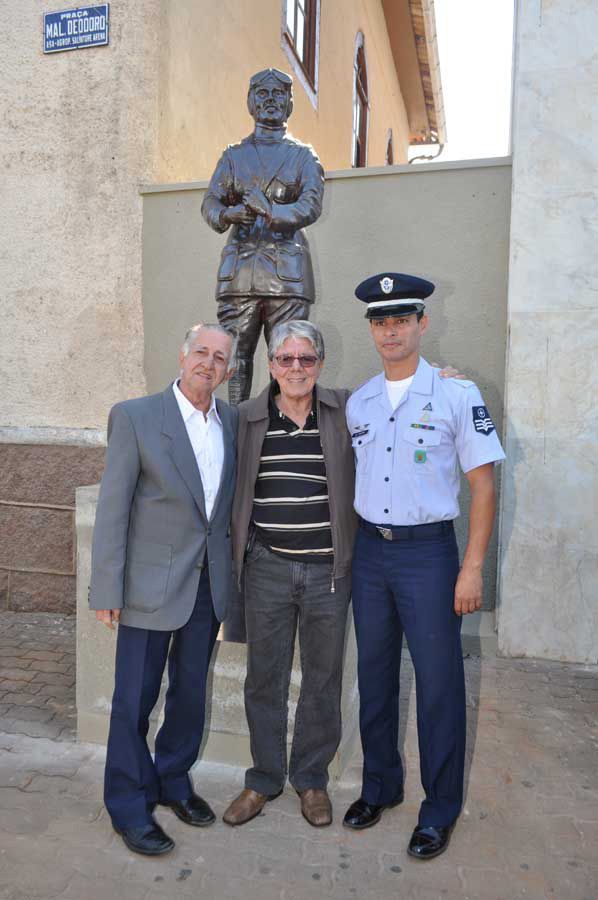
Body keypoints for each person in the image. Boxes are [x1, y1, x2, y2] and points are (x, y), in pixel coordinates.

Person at [343, 273, 505, 860]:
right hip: (370, 555)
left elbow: (483, 488)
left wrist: (473, 567)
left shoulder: (457, 396)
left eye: (401, 320)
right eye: (381, 322)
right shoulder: (358, 401)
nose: (391, 331)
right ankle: (380, 788)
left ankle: (439, 809)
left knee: (438, 685)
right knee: (376, 676)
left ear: (422, 324)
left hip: (429, 556)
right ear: (372, 330)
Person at [89, 323, 238, 856]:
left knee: (190, 693)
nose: (209, 363)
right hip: (147, 587)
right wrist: (106, 586)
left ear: (229, 369)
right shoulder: (136, 416)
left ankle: (173, 780)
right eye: (201, 352)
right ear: (182, 356)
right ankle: (128, 805)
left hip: (205, 587)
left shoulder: (233, 422)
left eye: (220, 357)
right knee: (134, 700)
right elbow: (113, 509)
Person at [222, 321, 356, 828]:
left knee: (322, 677)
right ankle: (263, 779)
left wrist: (445, 380)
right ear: (272, 365)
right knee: (264, 678)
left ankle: (311, 779)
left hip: (328, 571)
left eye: (305, 359)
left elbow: (398, 400)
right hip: (268, 568)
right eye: (285, 359)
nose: (295, 368)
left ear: (320, 364)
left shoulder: (345, 411)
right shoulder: (245, 418)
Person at [201, 68, 325, 404]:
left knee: (289, 357)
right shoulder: (233, 157)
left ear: (289, 104)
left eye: (278, 95)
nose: (270, 102)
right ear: (250, 102)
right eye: (263, 95)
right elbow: (210, 203)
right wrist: (228, 213)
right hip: (239, 273)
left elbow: (311, 206)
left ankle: (279, 425)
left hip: (287, 276)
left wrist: (270, 211)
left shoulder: (303, 157)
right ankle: (235, 427)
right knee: (234, 360)